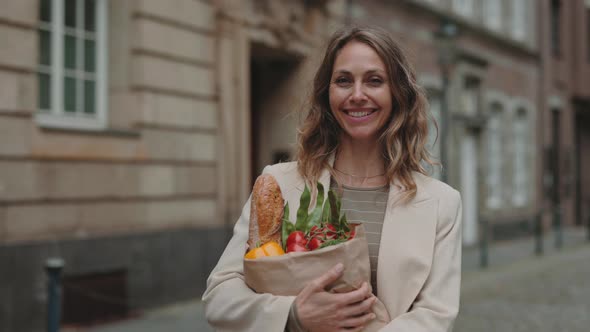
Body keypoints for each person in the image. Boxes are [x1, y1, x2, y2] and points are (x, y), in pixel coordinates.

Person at [203, 26, 462, 332]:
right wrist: (293, 315)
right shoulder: (281, 184)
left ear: (397, 93)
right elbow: (220, 296)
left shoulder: (441, 203)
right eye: (343, 81)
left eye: (374, 81)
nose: (357, 95)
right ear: (327, 94)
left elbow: (435, 314)